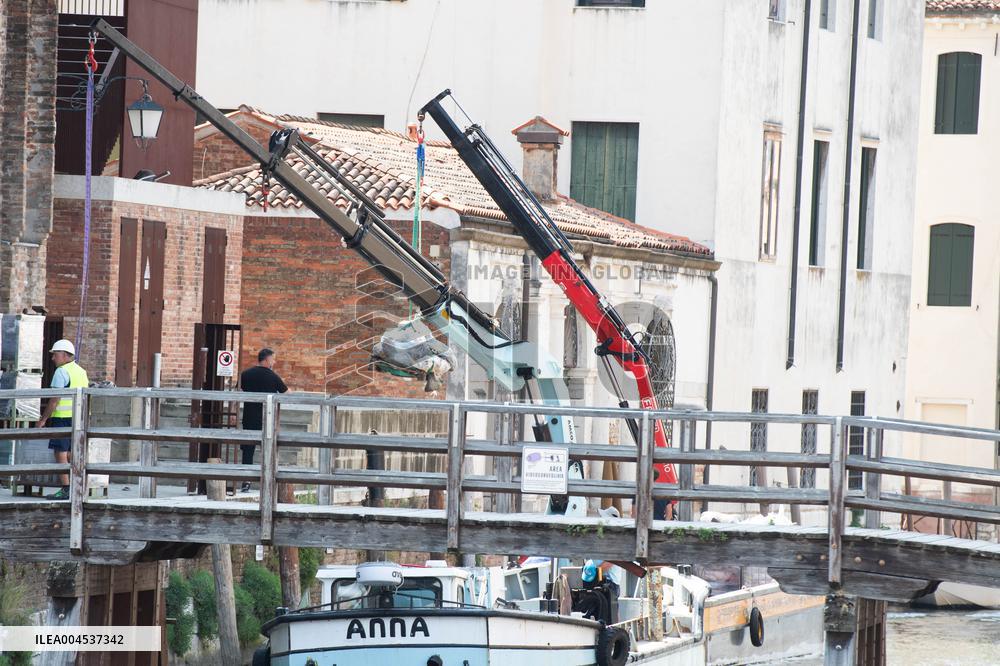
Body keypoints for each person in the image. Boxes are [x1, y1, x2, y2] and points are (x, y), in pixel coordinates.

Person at [37, 339, 89, 500]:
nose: (53, 358)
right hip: (80, 417)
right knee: (74, 452)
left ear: (65, 355)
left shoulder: (61, 372)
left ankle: (66, 488)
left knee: (60, 452)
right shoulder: (81, 371)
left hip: (62, 418)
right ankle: (78, 486)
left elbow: (54, 399)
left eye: (55, 354)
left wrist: (44, 419)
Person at [238, 348, 288, 492]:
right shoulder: (273, 376)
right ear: (266, 360)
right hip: (267, 418)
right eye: (273, 359)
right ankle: (267, 482)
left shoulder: (246, 374)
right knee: (267, 449)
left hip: (249, 417)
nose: (274, 362)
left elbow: (237, 393)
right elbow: (287, 393)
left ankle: (246, 482)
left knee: (248, 450)